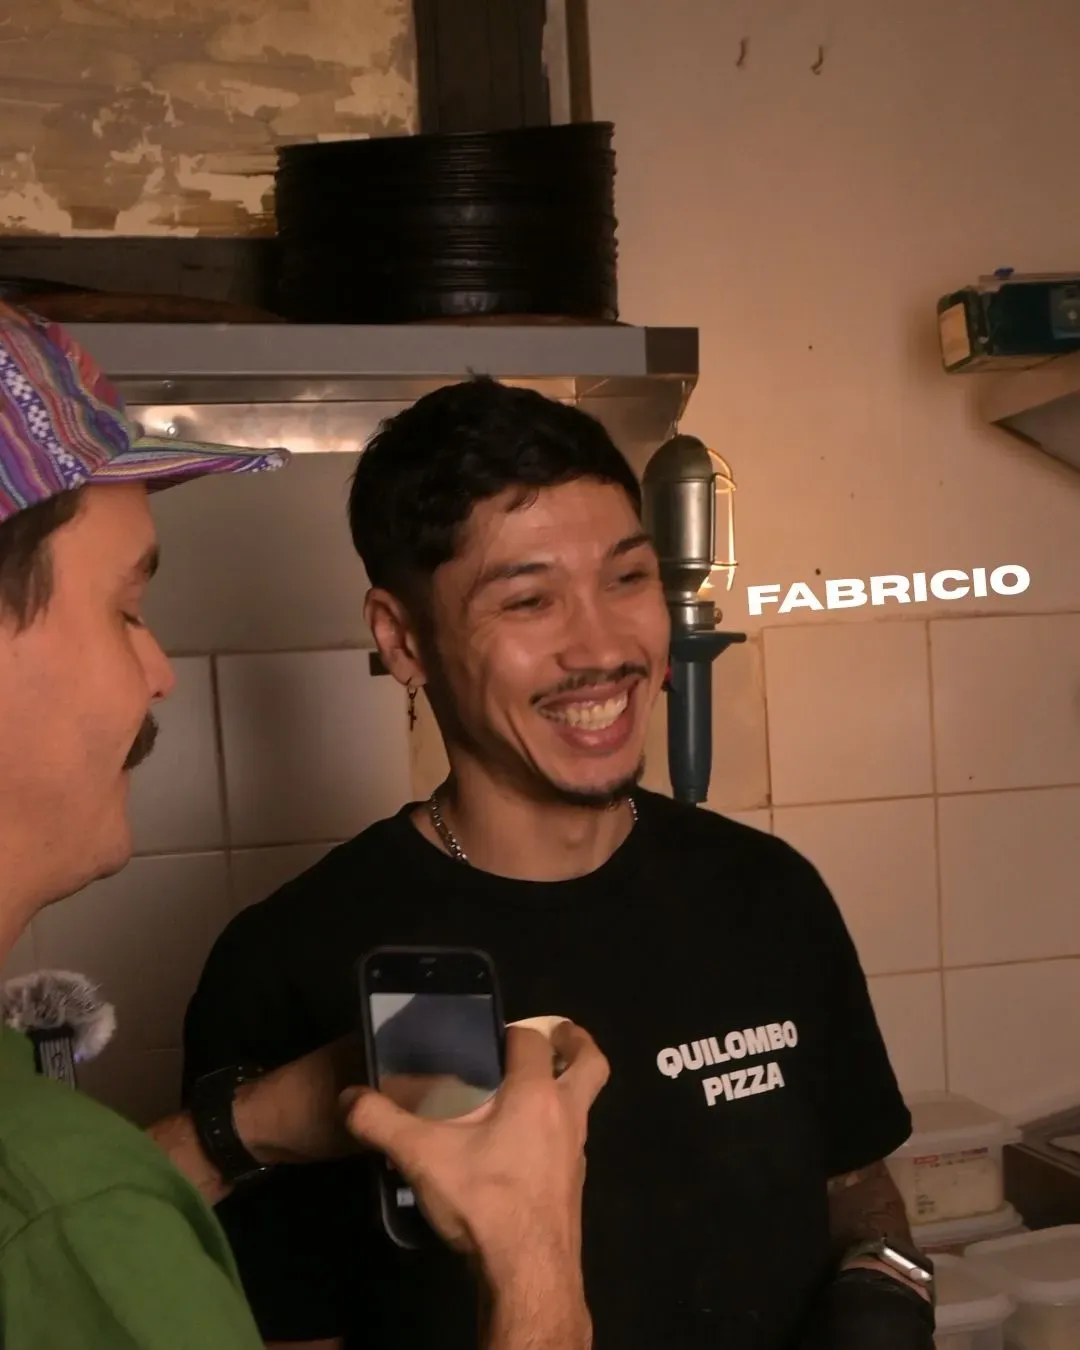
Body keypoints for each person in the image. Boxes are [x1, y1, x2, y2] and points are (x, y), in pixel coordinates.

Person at [183, 376, 937, 1350]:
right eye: (531, 599)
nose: (604, 645)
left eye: (627, 577)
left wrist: (884, 1300)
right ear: (402, 639)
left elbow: (859, 1193)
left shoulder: (767, 894)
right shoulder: (287, 965)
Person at [0, 303, 608, 1350]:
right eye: (128, 610)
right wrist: (534, 1251)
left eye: (628, 577)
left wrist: (236, 1133)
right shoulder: (68, 1205)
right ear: (403, 636)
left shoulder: (61, 1181)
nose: (158, 675)